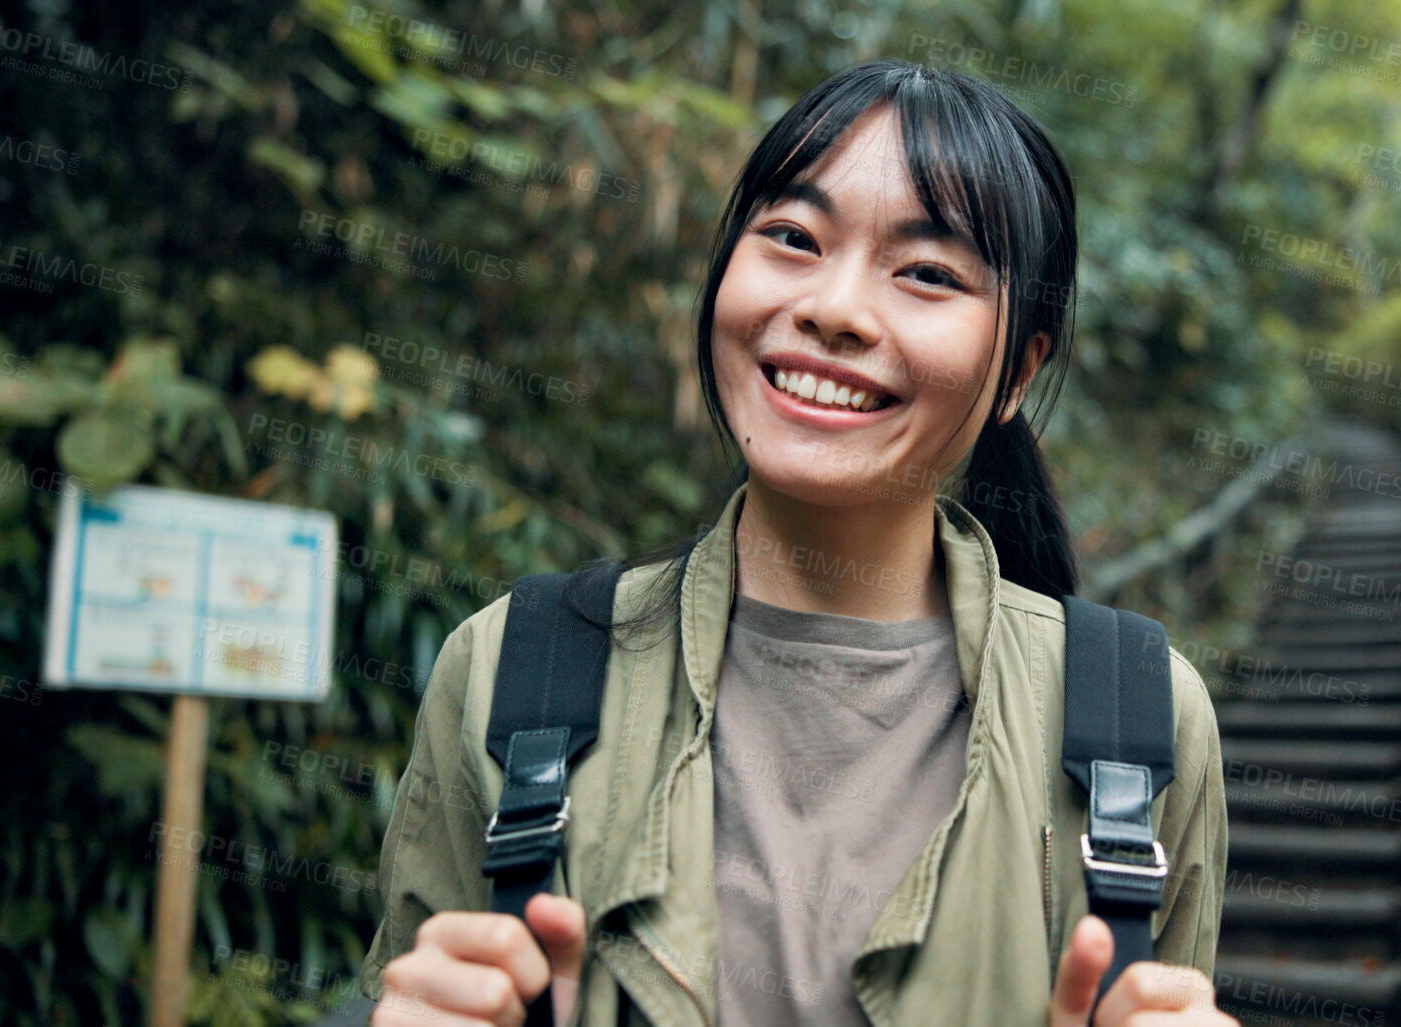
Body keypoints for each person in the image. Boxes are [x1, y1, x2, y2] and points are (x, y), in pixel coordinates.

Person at [359, 57, 1235, 1027]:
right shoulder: (514, 672)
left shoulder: (1135, 723)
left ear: (1018, 371)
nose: (832, 309)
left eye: (928, 273)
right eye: (791, 236)